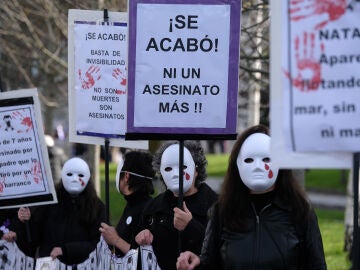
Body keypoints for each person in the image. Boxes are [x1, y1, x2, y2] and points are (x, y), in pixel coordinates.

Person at [176, 125, 327, 270]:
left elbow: (316, 265)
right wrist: (196, 264)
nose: (257, 166)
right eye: (249, 160)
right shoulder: (222, 212)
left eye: (266, 159)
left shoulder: (299, 212)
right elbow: (210, 264)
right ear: (237, 164)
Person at [135, 141, 218, 270]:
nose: (175, 174)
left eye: (182, 167)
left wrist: (191, 227)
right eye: (168, 168)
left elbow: (221, 250)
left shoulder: (216, 206)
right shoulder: (154, 207)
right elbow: (137, 253)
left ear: (196, 170)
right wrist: (142, 235)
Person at [26, 157, 106, 265]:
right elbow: (33, 239)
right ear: (63, 175)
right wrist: (25, 222)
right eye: (70, 174)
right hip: (50, 265)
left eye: (80, 175)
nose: (74, 179)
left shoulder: (97, 207)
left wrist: (66, 250)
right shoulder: (50, 203)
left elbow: (99, 245)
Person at [99, 150, 155, 257]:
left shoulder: (147, 209)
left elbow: (142, 256)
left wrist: (115, 240)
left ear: (126, 176)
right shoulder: (132, 203)